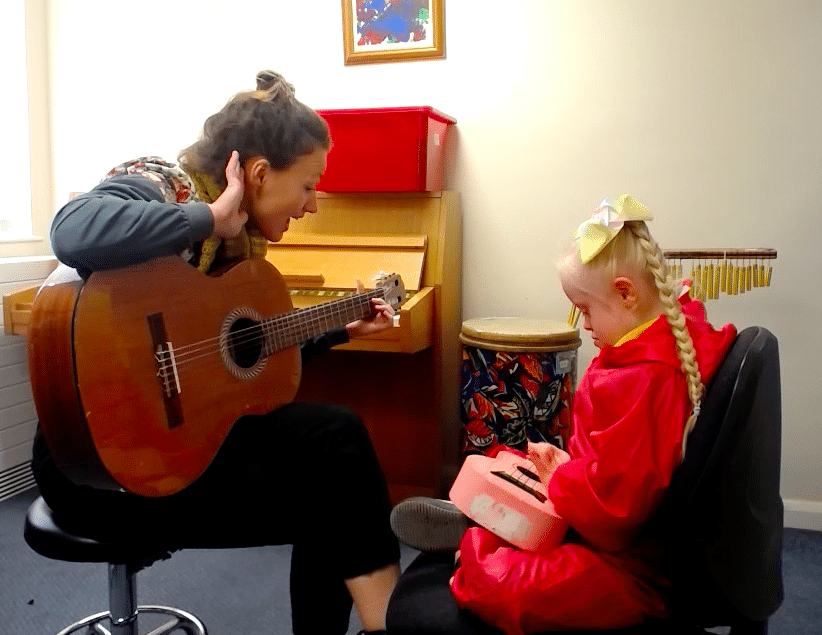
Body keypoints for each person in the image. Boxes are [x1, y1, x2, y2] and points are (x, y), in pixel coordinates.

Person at [32, 70, 399, 635]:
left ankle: (383, 626)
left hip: (177, 440)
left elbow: (228, 352)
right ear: (256, 174)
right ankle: (392, 626)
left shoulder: (242, 257)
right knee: (332, 486)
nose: (313, 206)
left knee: (334, 446)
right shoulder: (164, 184)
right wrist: (207, 216)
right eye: (307, 186)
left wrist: (340, 327)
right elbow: (72, 231)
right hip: (94, 465)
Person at [389, 195, 737, 634]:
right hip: (602, 523)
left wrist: (564, 479)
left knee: (504, 587)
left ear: (626, 293)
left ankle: (474, 537)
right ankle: (490, 523)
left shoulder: (645, 379)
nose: (584, 325)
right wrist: (569, 471)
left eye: (586, 310)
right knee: (516, 473)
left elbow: (615, 518)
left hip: (632, 566)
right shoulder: (665, 335)